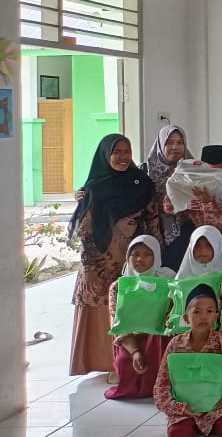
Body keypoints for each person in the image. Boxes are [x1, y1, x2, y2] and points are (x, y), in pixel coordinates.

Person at [70, 134, 159, 377]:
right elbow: (85, 230)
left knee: (126, 307)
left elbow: (152, 221)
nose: (122, 157)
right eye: (116, 152)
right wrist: (89, 267)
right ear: (105, 155)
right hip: (99, 260)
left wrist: (155, 254)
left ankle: (124, 365)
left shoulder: (142, 184)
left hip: (133, 258)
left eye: (126, 151)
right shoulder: (94, 188)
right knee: (101, 307)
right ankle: (105, 363)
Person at [153, 284, 222, 436]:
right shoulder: (175, 344)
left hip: (216, 407)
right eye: (197, 311)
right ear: (186, 318)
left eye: (210, 311)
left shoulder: (221, 342)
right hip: (185, 408)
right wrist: (177, 407)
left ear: (216, 316)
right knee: (177, 433)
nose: (204, 317)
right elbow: (162, 383)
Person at [105, 235, 174, 400]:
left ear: (156, 256)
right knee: (125, 362)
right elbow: (118, 324)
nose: (139, 259)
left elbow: (171, 318)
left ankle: (160, 388)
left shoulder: (168, 281)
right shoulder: (118, 287)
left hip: (157, 336)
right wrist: (135, 351)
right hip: (130, 338)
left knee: (156, 349)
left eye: (147, 254)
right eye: (135, 254)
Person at [142, 125, 194, 270]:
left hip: (186, 234)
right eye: (169, 143)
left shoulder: (194, 171)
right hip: (152, 235)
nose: (175, 147)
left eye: (180, 142)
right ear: (160, 145)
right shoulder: (145, 173)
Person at [185, 145, 222, 265]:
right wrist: (178, 183)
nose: (212, 176)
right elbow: (169, 208)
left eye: (217, 172)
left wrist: (207, 204)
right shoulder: (194, 189)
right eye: (208, 171)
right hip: (198, 242)